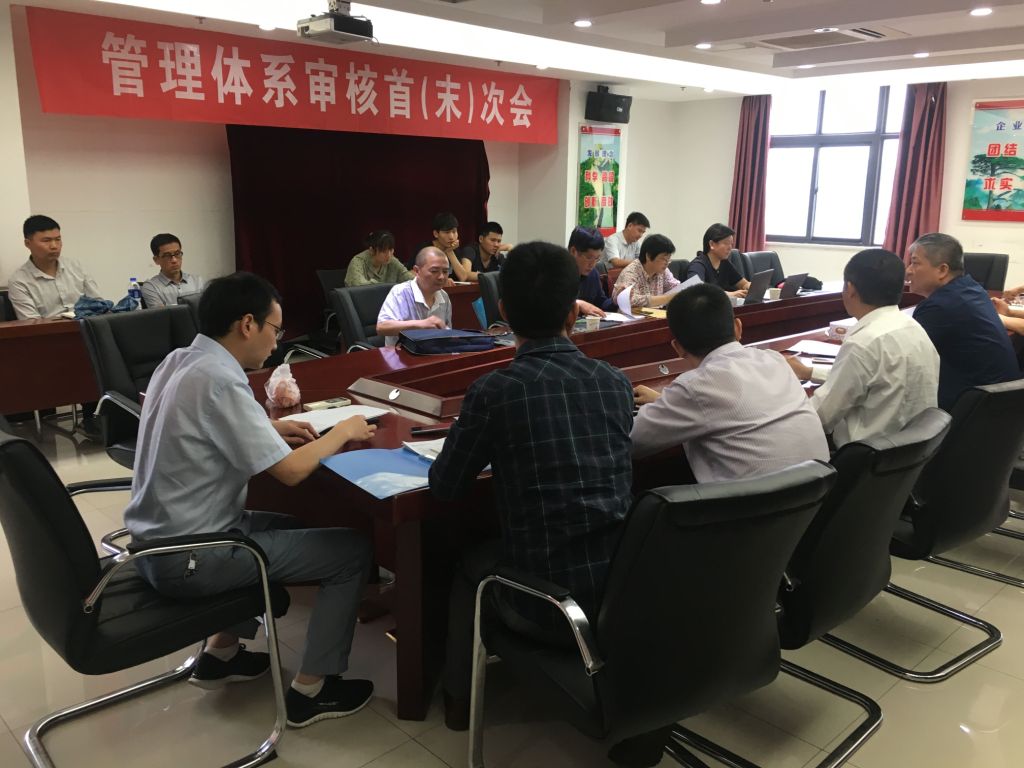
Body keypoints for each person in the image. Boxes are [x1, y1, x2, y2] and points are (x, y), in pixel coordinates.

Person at [123, 271, 376, 729]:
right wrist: (344, 430)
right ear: (247, 324)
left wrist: (268, 427)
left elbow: (195, 425)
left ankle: (221, 654)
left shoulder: (179, 360)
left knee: (293, 528)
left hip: (154, 544)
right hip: (194, 556)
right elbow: (291, 471)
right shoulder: (222, 379)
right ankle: (312, 691)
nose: (277, 342)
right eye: (275, 329)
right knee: (352, 551)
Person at [428, 241, 634, 740]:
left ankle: (458, 702)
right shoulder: (614, 382)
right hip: (623, 589)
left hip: (544, 604)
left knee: (469, 565)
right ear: (573, 313)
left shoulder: (495, 390)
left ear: (503, 312)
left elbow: (446, 487)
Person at [632, 283, 828, 480]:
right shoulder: (775, 360)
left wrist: (666, 403)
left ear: (678, 348)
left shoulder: (695, 387)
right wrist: (666, 402)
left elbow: (628, 441)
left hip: (753, 499)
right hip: (821, 491)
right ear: (738, 327)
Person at [787, 249, 939, 448]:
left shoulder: (863, 343)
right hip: (911, 454)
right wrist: (809, 372)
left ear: (850, 288)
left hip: (863, 458)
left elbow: (819, 417)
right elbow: (875, 377)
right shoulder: (914, 329)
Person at [905, 232, 1020, 410]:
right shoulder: (973, 288)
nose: (908, 270)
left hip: (971, 410)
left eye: (915, 262)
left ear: (942, 270)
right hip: (1003, 405)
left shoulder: (939, 307)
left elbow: (904, 360)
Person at [8, 215, 102, 319]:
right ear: (28, 243)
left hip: (87, 325)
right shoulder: (19, 281)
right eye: (46, 240)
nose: (54, 246)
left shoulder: (76, 267)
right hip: (50, 328)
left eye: (58, 239)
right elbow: (32, 322)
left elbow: (98, 304)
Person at [376, 247, 452, 346]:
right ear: (417, 271)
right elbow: (382, 327)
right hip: (400, 353)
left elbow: (447, 334)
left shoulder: (444, 296)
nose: (441, 277)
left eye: (445, 272)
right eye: (434, 271)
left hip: (433, 352)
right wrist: (421, 324)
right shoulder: (400, 292)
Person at [612, 233, 681, 309]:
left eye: (669, 259)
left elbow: (676, 287)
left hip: (657, 314)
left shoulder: (663, 270)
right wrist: (667, 298)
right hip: (635, 315)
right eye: (663, 259)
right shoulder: (631, 272)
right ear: (648, 256)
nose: (667, 263)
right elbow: (629, 300)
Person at [141, 233, 206, 308]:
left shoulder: (197, 281)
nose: (174, 260)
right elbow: (162, 314)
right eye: (167, 255)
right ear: (156, 260)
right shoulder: (151, 287)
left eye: (177, 254)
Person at [687, 223, 750, 299]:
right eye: (726, 243)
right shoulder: (697, 265)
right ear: (712, 244)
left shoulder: (724, 263)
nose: (730, 248)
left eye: (731, 244)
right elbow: (697, 290)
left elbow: (743, 284)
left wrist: (750, 287)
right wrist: (729, 294)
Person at [570, 225, 615, 316]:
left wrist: (615, 300)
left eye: (597, 259)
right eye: (588, 257)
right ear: (574, 251)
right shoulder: (556, 272)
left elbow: (601, 303)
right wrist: (577, 304)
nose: (593, 264)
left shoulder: (593, 273)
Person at [344, 230, 413, 287]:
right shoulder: (357, 262)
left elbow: (409, 278)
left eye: (391, 250)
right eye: (384, 251)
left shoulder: (392, 260)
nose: (389, 255)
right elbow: (358, 286)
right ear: (371, 250)